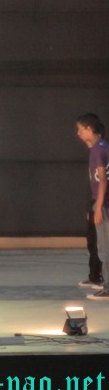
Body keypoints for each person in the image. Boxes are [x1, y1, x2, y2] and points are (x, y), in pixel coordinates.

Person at [76, 113, 109, 300]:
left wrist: (98, 206)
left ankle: (108, 287)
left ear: (89, 129)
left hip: (104, 203)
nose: (78, 133)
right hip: (104, 202)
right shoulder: (102, 146)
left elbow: (103, 180)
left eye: (81, 129)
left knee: (104, 247)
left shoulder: (98, 149)